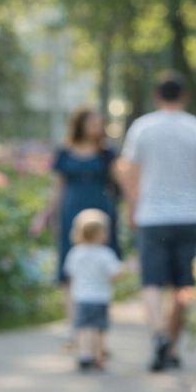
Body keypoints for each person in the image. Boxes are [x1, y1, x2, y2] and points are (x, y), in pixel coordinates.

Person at [118, 70, 196, 372]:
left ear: (156, 95)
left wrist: (130, 207)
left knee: (151, 281)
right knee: (183, 284)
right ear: (185, 96)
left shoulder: (142, 128)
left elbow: (130, 172)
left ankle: (159, 333)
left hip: (151, 215)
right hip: (189, 215)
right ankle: (171, 346)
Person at [40, 107, 119, 335]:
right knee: (70, 269)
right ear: (80, 124)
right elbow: (57, 186)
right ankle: (75, 326)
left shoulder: (106, 153)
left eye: (100, 123)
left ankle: (97, 329)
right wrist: (53, 214)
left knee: (101, 264)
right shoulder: (64, 151)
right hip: (71, 211)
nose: (98, 127)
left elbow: (119, 182)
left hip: (101, 211)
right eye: (93, 122)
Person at [62, 209, 123, 371]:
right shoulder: (105, 254)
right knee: (99, 328)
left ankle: (84, 354)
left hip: (82, 296)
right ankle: (99, 355)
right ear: (101, 233)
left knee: (82, 326)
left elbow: (69, 272)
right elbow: (115, 272)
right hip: (101, 297)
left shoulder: (76, 253)